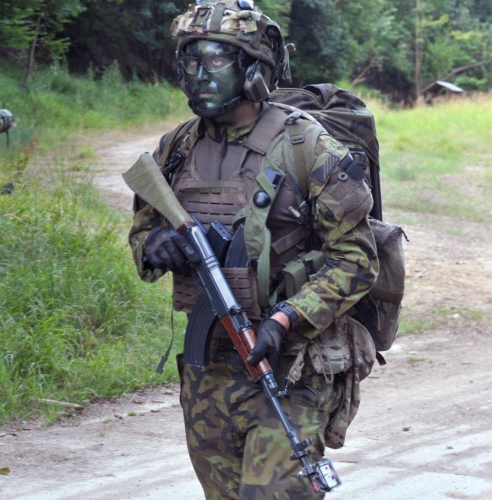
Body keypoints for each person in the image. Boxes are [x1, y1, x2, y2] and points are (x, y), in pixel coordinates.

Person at [127, 1, 379, 498]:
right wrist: (156, 245)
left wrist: (285, 320)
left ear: (255, 68)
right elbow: (141, 231)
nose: (199, 75)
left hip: (293, 364)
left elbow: (357, 258)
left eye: (216, 60)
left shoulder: (308, 147)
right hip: (208, 369)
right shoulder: (175, 148)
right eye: (190, 61)